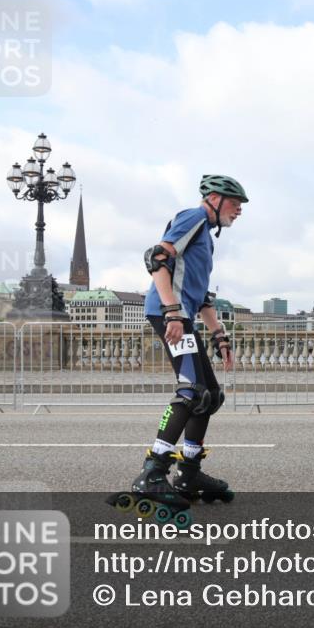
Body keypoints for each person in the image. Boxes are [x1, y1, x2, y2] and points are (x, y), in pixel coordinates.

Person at [134, 174, 247, 507]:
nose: (239, 210)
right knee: (190, 390)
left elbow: (204, 296)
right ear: (213, 197)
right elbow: (156, 258)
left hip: (184, 316)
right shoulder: (193, 217)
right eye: (235, 202)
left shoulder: (207, 238)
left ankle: (189, 471)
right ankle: (152, 473)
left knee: (210, 395)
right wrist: (171, 311)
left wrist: (220, 336)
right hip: (171, 316)